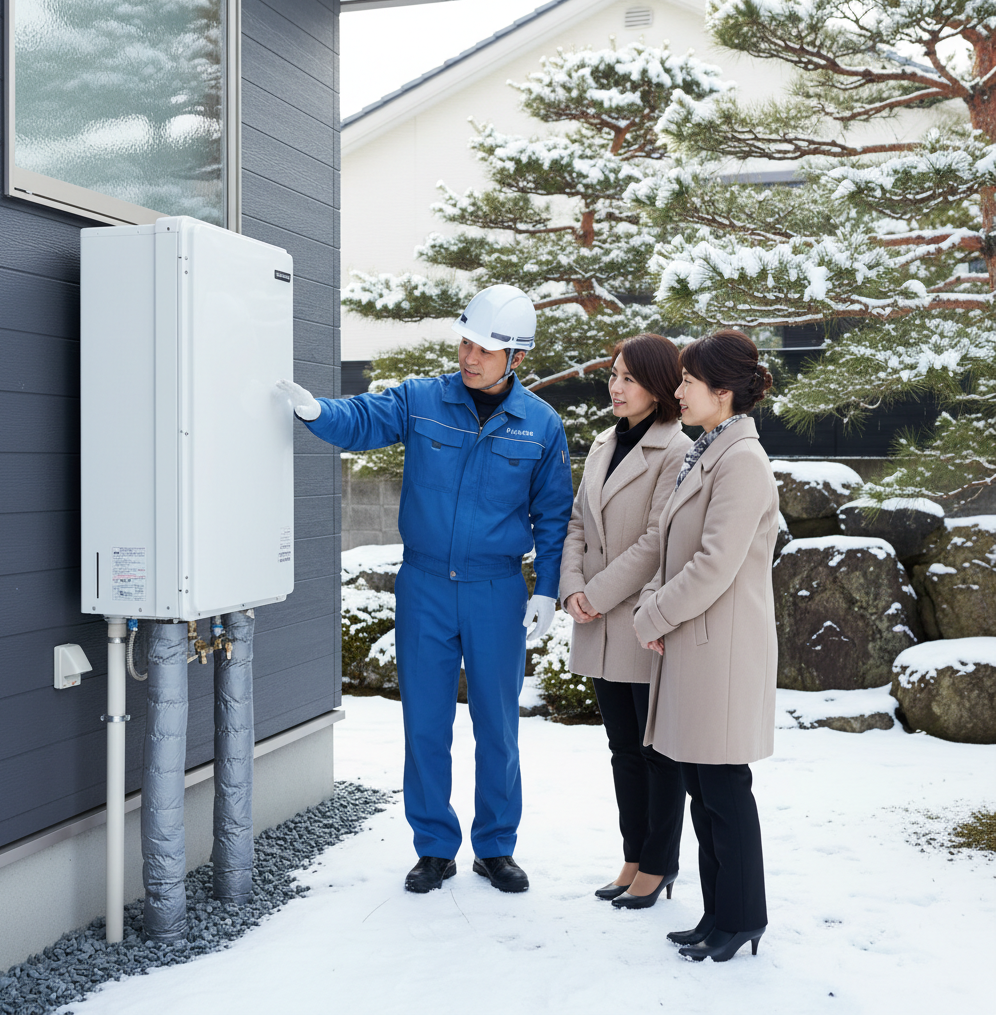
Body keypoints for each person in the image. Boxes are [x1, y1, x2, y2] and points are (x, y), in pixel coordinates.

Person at [277, 285, 573, 895]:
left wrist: (547, 588)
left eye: (485, 349)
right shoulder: (422, 399)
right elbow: (363, 419)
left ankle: (496, 847)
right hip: (425, 586)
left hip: (496, 590)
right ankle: (434, 848)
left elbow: (553, 515)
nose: (470, 356)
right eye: (466, 343)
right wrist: (317, 413)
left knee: (498, 727)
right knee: (425, 724)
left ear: (516, 357)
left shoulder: (541, 425)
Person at [633, 329, 778, 962]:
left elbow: (714, 563)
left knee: (724, 789)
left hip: (722, 650)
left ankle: (742, 917)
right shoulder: (709, 451)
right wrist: (654, 606)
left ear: (722, 392)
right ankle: (717, 913)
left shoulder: (742, 461)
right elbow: (672, 548)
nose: (679, 391)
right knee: (703, 787)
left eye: (689, 382)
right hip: (696, 642)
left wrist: (653, 614)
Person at [559, 334, 691, 910]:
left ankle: (659, 864)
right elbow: (577, 524)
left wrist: (596, 593)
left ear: (657, 387)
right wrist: (570, 588)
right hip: (596, 619)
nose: (615, 386)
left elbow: (658, 540)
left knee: (656, 752)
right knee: (622, 749)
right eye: (613, 375)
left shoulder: (677, 449)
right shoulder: (602, 443)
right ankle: (633, 856)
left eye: (629, 378)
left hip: (640, 618)